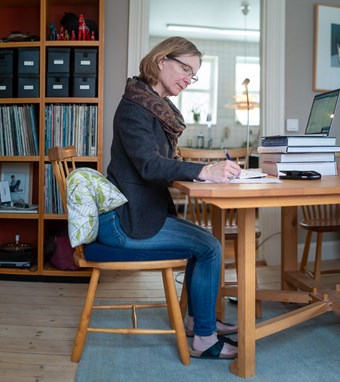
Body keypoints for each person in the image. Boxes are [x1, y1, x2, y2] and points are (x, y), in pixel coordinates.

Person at [97, 36, 242, 359]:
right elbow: (150, 166)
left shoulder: (150, 105)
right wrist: (205, 171)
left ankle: (195, 320)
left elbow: (161, 163)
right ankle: (204, 338)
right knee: (209, 247)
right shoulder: (134, 109)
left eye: (194, 75)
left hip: (136, 212)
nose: (188, 79)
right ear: (162, 60)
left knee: (203, 243)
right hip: (124, 223)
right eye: (185, 69)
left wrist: (203, 169)